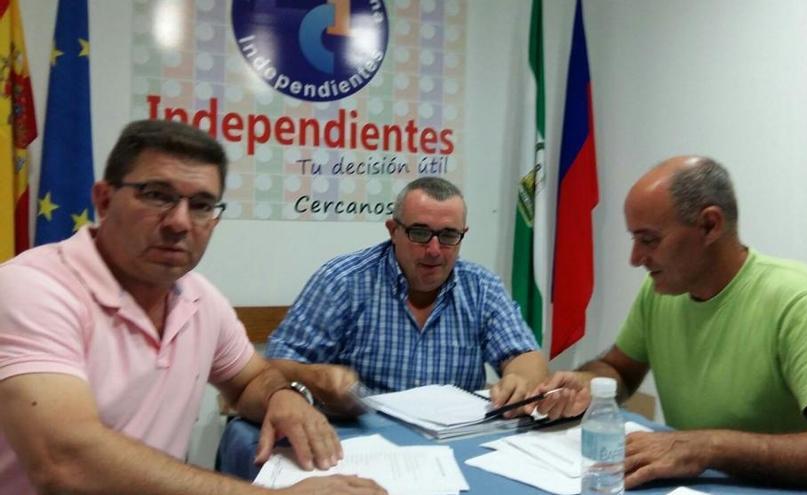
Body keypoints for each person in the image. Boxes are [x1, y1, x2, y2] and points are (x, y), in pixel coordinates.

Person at [0, 120, 385, 495]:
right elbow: (63, 461)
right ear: (103, 200)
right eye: (156, 195)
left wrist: (281, 396)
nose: (180, 222)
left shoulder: (199, 298)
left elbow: (251, 379)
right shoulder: (33, 288)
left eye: (201, 205)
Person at [532, 156, 807, 493]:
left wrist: (710, 445)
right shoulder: (661, 293)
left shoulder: (801, 301)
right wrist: (588, 384)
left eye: (649, 240)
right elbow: (618, 369)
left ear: (710, 225)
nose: (635, 258)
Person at [266, 177, 549, 415]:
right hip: (360, 442)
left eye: (449, 235)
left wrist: (519, 380)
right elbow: (276, 364)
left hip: (455, 444)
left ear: (463, 234)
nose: (435, 250)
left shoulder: (481, 287)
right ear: (393, 230)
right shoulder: (342, 281)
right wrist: (315, 377)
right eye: (420, 233)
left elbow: (525, 356)